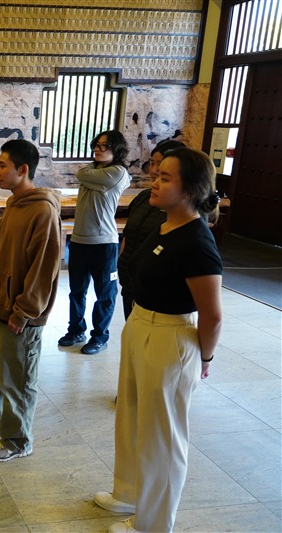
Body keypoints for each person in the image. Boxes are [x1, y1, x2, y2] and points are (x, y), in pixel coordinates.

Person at [94, 148, 222, 533]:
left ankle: (152, 524)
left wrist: (205, 358)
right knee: (132, 419)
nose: (155, 181)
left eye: (165, 178)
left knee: (162, 438)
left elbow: (212, 315)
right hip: (140, 325)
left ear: (190, 190)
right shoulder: (164, 224)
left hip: (170, 338)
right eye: (157, 174)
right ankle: (129, 493)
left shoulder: (197, 242)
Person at [0, 139, 61, 462]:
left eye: (2, 165)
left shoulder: (42, 210)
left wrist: (24, 311)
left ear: (23, 170)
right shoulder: (13, 204)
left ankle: (18, 440)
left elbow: (43, 269)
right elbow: (3, 257)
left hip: (20, 314)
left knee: (18, 380)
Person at [58, 130, 130, 355]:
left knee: (104, 294)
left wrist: (88, 172)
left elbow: (81, 174)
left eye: (103, 146)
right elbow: (84, 174)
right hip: (79, 240)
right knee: (76, 291)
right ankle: (76, 330)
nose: (97, 150)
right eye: (96, 145)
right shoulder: (94, 171)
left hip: (104, 242)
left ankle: (99, 337)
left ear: (116, 149)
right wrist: (90, 171)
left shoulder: (118, 172)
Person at [118, 139, 185, 318]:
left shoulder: (179, 208)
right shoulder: (143, 198)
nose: (154, 170)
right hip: (129, 282)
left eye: (160, 164)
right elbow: (128, 235)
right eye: (152, 163)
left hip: (156, 289)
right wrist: (122, 263)